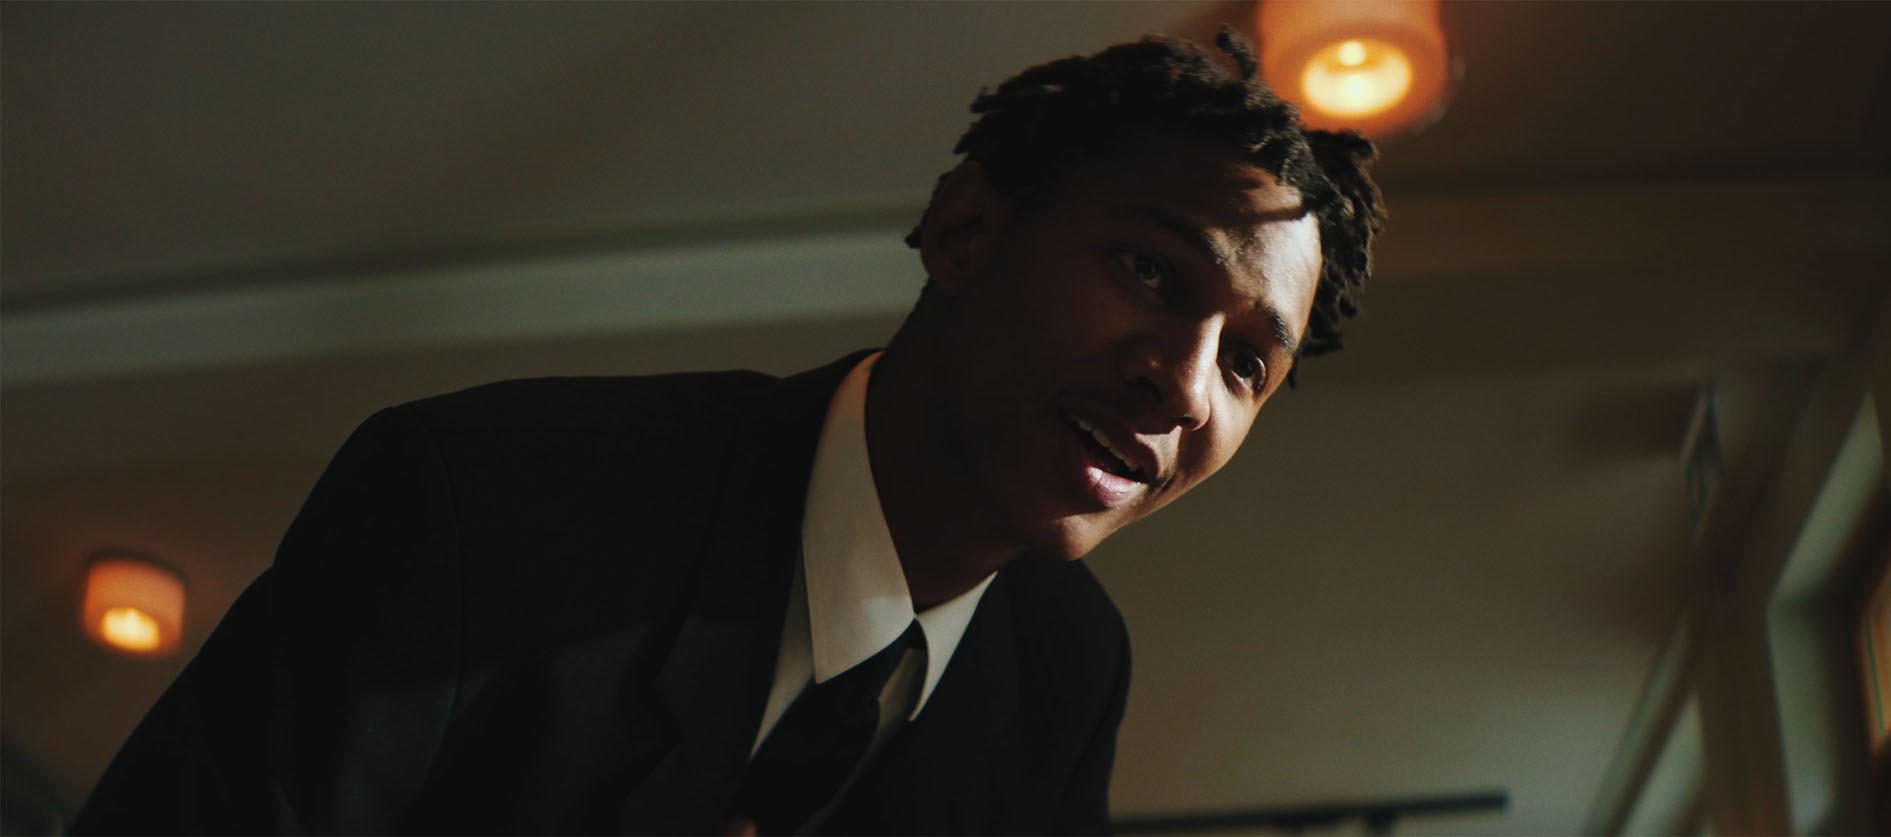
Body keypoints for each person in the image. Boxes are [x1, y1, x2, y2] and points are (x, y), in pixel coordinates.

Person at [73, 27, 1383, 836]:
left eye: (1248, 362)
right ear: (968, 227)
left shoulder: (1067, 667)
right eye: (1151, 271)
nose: (1183, 383)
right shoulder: (480, 503)